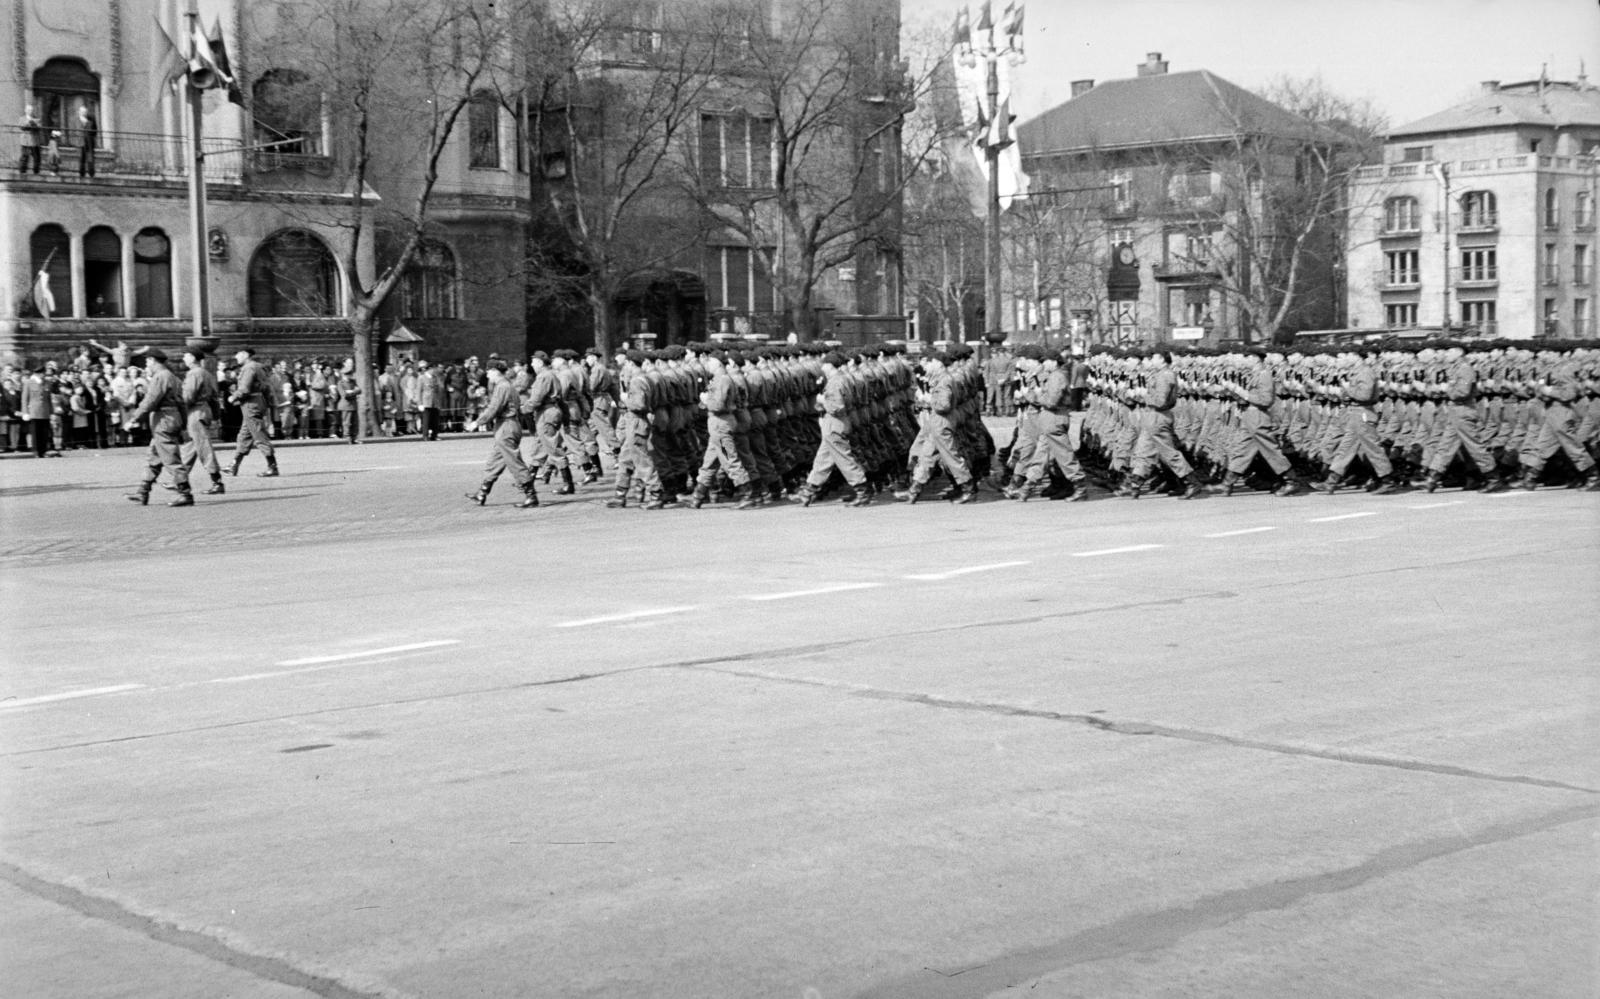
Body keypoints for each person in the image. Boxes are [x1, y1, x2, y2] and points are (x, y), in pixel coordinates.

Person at [792, 352, 872, 508]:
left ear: (830, 365)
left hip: (835, 423)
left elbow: (837, 407)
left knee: (844, 459)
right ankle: (809, 491)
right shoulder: (843, 378)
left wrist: (822, 401)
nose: (822, 367)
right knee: (823, 459)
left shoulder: (835, 382)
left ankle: (862, 490)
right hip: (836, 423)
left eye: (824, 364)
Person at [1320, 346, 1403, 495]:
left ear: (1356, 357)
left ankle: (1388, 480)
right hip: (1355, 413)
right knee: (1345, 448)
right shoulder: (1358, 372)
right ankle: (1331, 481)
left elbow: (1364, 395)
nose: (1344, 359)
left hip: (1363, 413)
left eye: (1347, 356)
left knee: (1373, 448)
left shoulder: (1365, 372)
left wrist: (1347, 389)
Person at [1124, 349, 1206, 500]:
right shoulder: (1160, 374)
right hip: (1152, 417)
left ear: (1162, 359)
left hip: (1158, 417)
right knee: (1143, 451)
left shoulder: (1165, 375)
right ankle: (1135, 483)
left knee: (1169, 454)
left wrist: (1144, 396)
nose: (1151, 360)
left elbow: (1160, 401)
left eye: (1154, 357)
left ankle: (1192, 482)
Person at [122, 350, 194, 506]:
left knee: (170, 457)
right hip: (171, 418)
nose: (147, 365)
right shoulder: (173, 377)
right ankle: (143, 491)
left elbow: (150, 400)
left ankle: (185, 493)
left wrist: (134, 418)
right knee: (154, 456)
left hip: (163, 419)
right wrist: (183, 423)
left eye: (147, 362)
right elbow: (182, 403)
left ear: (153, 360)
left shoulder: (160, 377)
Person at [688, 351, 758, 509]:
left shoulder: (723, 380)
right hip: (718, 425)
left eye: (710, 362)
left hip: (721, 423)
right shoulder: (721, 379)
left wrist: (706, 401)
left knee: (729, 459)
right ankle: (698, 495)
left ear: (718, 363)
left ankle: (746, 493)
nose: (708, 364)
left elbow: (718, 405)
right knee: (710, 461)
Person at [464, 359, 538, 508]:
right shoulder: (504, 385)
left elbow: (494, 408)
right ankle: (482, 493)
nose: (487, 373)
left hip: (506, 425)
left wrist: (477, 423)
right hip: (506, 425)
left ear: (496, 371)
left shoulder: (502, 386)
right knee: (495, 461)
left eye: (489, 370)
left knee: (514, 461)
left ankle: (531, 495)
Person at [179, 348, 226, 494]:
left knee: (203, 446)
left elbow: (188, 396)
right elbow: (214, 396)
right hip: (204, 410)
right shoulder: (206, 373)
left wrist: (179, 409)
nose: (184, 359)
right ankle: (180, 478)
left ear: (193, 358)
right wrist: (216, 415)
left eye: (186, 356)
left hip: (195, 411)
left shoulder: (194, 373)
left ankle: (217, 481)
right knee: (190, 447)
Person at [227, 347, 279, 476]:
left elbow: (244, 389)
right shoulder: (258, 366)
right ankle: (234, 465)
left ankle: (272, 466)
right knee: (244, 435)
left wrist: (233, 396)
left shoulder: (249, 368)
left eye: (238, 354)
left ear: (245, 354)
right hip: (256, 402)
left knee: (259, 434)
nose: (236, 357)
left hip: (251, 404)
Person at [20, 366, 60, 457]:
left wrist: (52, 412)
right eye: (42, 373)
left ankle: (43, 451)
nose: (43, 375)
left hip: (45, 411)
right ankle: (36, 451)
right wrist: (25, 412)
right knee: (36, 433)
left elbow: (49, 399)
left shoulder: (47, 383)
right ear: (37, 374)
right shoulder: (29, 383)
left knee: (44, 433)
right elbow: (24, 399)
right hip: (34, 411)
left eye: (43, 373)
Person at [17, 105, 41, 174]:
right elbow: (21, 126)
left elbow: (39, 127)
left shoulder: (36, 118)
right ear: (25, 111)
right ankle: (23, 171)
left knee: (36, 157)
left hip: (34, 141)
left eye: (31, 110)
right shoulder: (22, 118)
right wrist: (28, 123)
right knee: (24, 156)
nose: (30, 111)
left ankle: (36, 171)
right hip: (25, 141)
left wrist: (33, 124)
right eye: (28, 110)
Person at [76, 106, 97, 178]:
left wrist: (87, 123)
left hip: (89, 142)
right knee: (82, 158)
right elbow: (77, 130)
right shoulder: (77, 120)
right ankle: (82, 173)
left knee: (90, 158)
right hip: (81, 142)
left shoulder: (90, 119)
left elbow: (94, 130)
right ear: (79, 112)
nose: (83, 113)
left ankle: (91, 173)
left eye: (84, 112)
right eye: (82, 112)